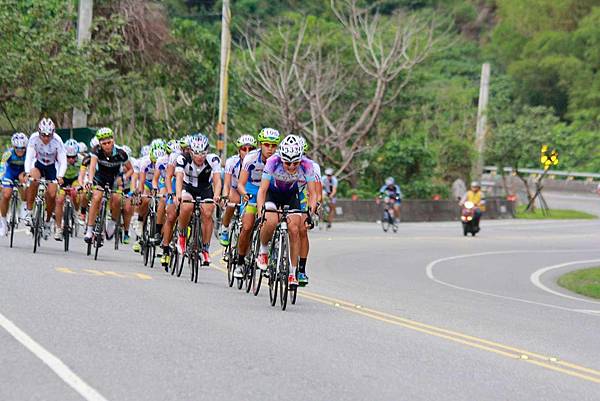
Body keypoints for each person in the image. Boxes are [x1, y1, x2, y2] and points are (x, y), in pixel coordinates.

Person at [255, 135, 317, 288]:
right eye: (288, 163)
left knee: (295, 229)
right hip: (272, 194)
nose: (291, 167)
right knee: (271, 221)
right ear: (281, 158)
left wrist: (310, 213)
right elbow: (262, 190)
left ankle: (292, 273)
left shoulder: (307, 165)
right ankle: (263, 251)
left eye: (295, 163)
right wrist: (260, 213)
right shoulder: (272, 162)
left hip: (291, 195)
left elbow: (313, 193)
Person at [235, 128, 281, 275]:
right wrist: (245, 194)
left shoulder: (280, 159)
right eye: (267, 145)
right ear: (260, 144)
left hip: (270, 192)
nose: (270, 149)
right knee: (247, 227)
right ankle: (240, 262)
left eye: (274, 146)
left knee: (274, 223)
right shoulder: (250, 158)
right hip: (252, 191)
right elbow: (240, 184)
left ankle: (271, 257)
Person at [175, 134, 222, 266]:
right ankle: (182, 236)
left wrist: (216, 196)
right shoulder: (182, 159)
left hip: (205, 189)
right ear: (190, 151)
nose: (200, 157)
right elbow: (179, 178)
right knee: (186, 206)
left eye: (203, 153)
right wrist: (178, 194)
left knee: (208, 213)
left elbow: (217, 181)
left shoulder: (213, 160)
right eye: (196, 153)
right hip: (188, 187)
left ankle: (205, 248)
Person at [84, 127, 132, 244]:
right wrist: (90, 181)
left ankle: (112, 222)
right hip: (100, 178)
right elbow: (92, 167)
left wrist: (124, 178)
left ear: (113, 141)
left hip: (115, 179)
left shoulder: (121, 153)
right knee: (96, 198)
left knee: (117, 199)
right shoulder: (96, 151)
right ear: (100, 143)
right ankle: (89, 230)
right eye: (104, 143)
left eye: (109, 142)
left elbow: (131, 170)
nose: (107, 146)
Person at [24, 118, 67, 238]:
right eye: (44, 135)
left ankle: (48, 221)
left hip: (52, 167)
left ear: (53, 133)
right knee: (33, 179)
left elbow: (63, 161)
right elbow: (29, 157)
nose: (46, 138)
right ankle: (29, 212)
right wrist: (27, 172)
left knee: (52, 195)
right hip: (38, 164)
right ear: (39, 133)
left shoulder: (58, 141)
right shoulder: (33, 138)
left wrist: (60, 176)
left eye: (49, 135)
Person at [220, 134, 257, 249]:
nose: (247, 152)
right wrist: (225, 197)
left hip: (249, 190)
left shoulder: (258, 162)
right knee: (233, 202)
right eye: (243, 149)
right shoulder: (232, 162)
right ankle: (225, 228)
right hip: (235, 189)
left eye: (250, 149)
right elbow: (226, 183)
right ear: (238, 150)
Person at [53, 139, 85, 241]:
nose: (71, 159)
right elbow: (55, 170)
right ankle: (59, 227)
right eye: (68, 157)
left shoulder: (81, 160)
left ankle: (76, 211)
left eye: (73, 157)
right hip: (63, 179)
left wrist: (81, 184)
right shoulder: (59, 158)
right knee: (59, 200)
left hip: (75, 179)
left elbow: (84, 174)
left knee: (76, 193)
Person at [0, 133, 28, 236]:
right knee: (6, 194)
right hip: (10, 173)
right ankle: (3, 222)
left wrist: (26, 175)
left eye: (22, 148)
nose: (20, 151)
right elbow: (2, 165)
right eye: (17, 148)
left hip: (22, 172)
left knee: (26, 188)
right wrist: (0, 178)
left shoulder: (29, 153)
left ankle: (23, 207)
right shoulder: (8, 153)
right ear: (13, 146)